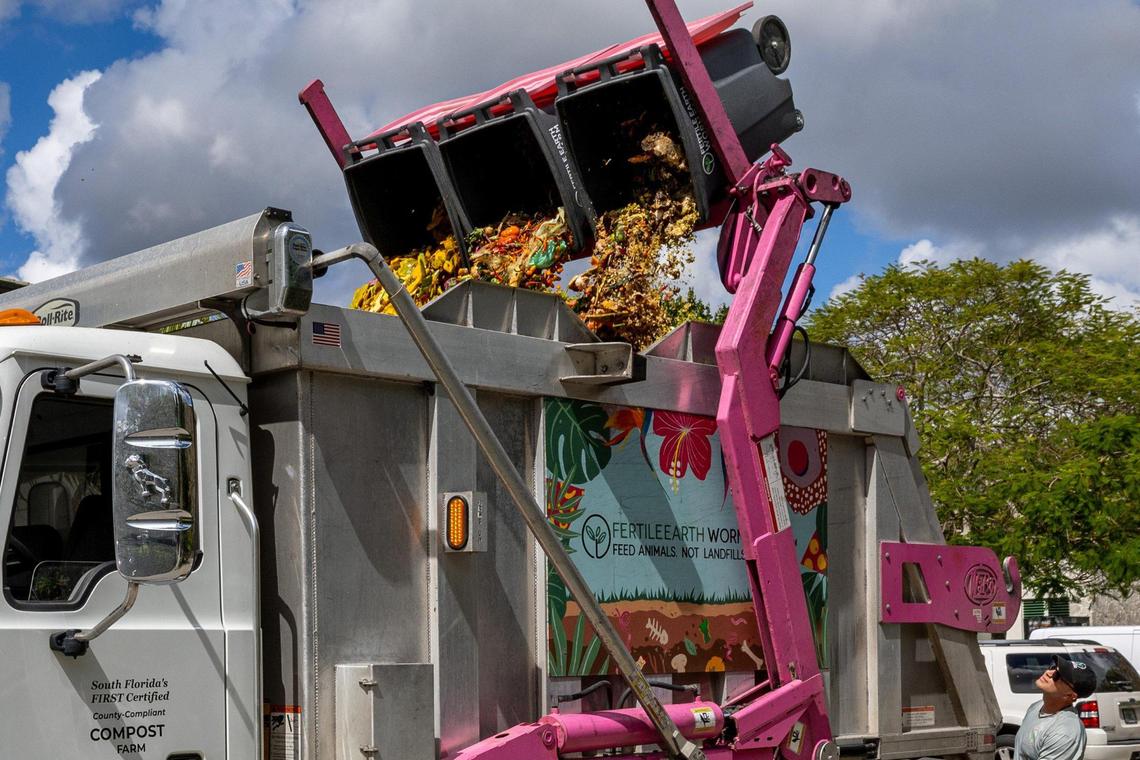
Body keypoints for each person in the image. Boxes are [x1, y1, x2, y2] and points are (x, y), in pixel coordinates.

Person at [1014, 655, 1097, 760]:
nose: (1049, 673)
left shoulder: (1065, 733)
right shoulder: (1036, 706)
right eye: (1053, 667)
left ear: (1070, 695)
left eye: (1058, 676)